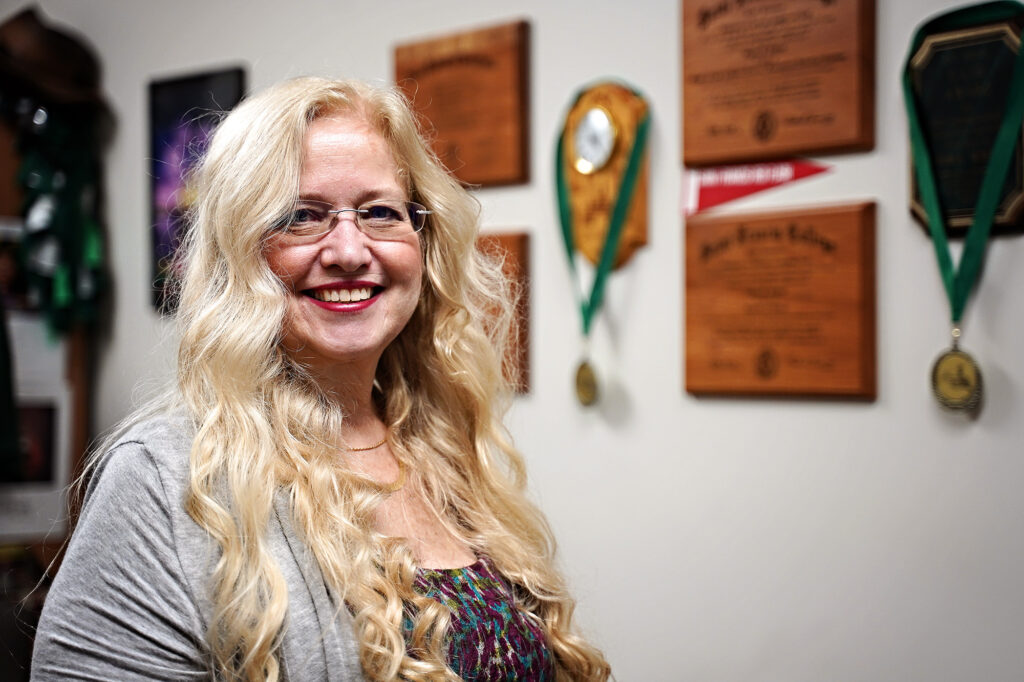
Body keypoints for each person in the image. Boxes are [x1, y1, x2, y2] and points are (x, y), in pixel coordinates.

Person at [30, 76, 611, 681]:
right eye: (302, 217)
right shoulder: (164, 476)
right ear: (240, 247)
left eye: (380, 212)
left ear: (424, 240)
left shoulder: (442, 444)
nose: (349, 251)